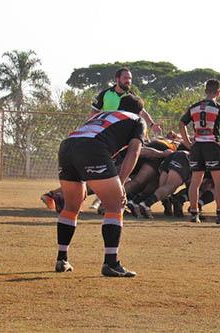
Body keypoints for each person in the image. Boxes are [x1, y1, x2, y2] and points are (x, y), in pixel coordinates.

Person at [54, 94, 146, 277]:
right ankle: (111, 263)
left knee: (71, 207)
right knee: (115, 206)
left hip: (67, 146)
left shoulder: (104, 115)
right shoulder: (137, 120)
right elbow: (134, 152)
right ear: (140, 111)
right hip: (91, 147)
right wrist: (121, 181)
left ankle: (61, 259)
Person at [179, 79, 220, 225]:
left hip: (197, 147)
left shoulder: (194, 107)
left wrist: (186, 142)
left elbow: (181, 123)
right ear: (218, 92)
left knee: (195, 182)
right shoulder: (218, 107)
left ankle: (193, 214)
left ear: (205, 91)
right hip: (212, 146)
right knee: (219, 182)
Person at [91, 67, 161, 136]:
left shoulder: (132, 95)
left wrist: (152, 125)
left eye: (130, 78)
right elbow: (95, 110)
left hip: (126, 132)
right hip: (108, 132)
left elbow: (142, 111)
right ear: (117, 79)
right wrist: (93, 127)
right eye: (125, 78)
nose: (128, 81)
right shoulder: (105, 94)